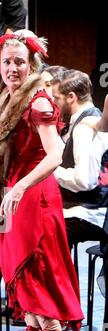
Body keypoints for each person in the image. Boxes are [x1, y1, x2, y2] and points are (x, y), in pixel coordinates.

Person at [0, 32, 84, 331]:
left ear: (32, 64)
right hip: (12, 195)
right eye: (7, 62)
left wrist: (21, 186)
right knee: (21, 280)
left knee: (37, 278)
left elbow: (55, 156)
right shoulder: (7, 98)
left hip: (34, 197)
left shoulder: (37, 102)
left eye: (19, 62)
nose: (12, 68)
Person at [50, 69, 108, 251]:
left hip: (90, 212)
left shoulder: (84, 127)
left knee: (40, 232)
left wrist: (51, 171)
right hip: (83, 207)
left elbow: (85, 181)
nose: (54, 103)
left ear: (71, 97)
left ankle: (58, 278)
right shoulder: (84, 119)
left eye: (56, 98)